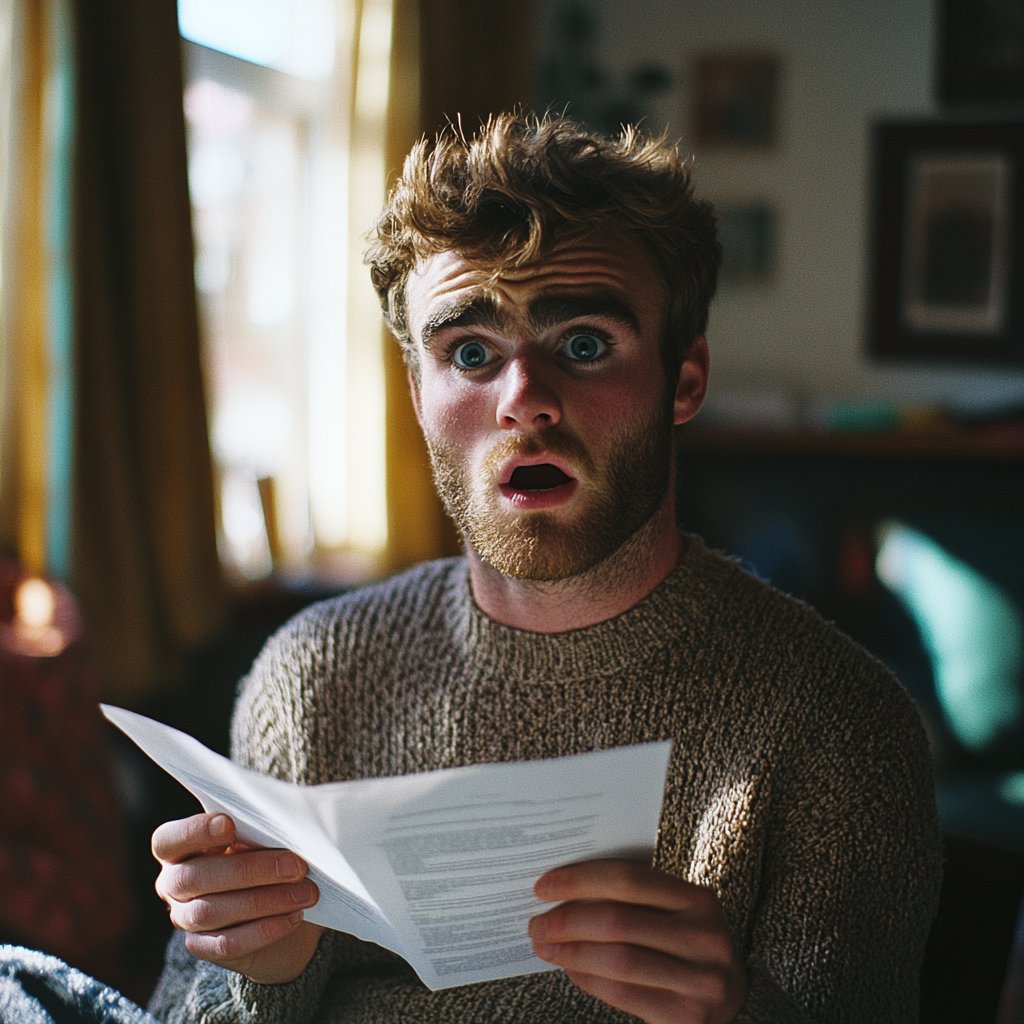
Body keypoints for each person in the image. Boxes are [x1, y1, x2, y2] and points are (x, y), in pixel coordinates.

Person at [144, 111, 943, 1024]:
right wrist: (266, 971)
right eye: (471, 354)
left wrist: (738, 1016)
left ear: (685, 380)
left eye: (586, 344)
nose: (524, 401)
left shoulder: (837, 728)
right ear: (417, 392)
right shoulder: (312, 679)